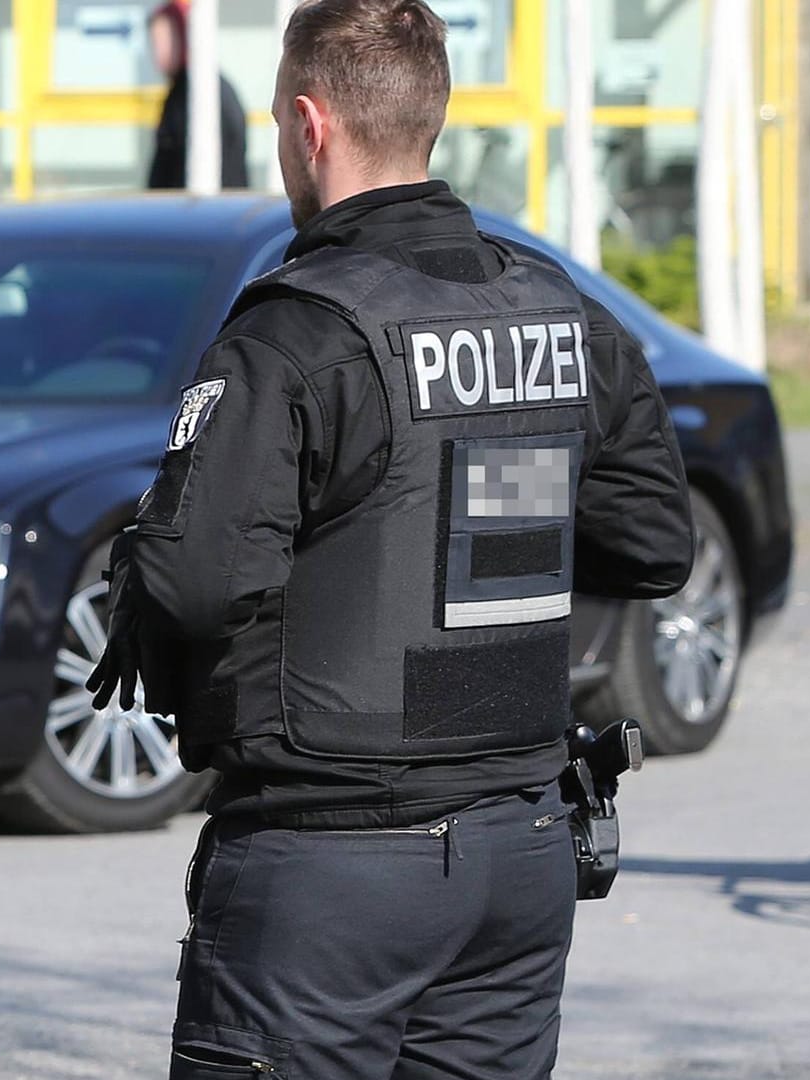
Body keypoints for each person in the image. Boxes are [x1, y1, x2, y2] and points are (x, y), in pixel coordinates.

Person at [88, 2, 694, 1076]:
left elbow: (192, 584)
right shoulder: (559, 311)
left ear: (309, 127)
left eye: (280, 121)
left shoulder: (298, 329)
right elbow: (653, 544)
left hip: (332, 866)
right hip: (521, 849)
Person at [145, 0, 251, 191]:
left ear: (185, 35)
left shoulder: (199, 94)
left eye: (164, 41)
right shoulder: (187, 90)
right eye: (154, 43)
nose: (158, 54)